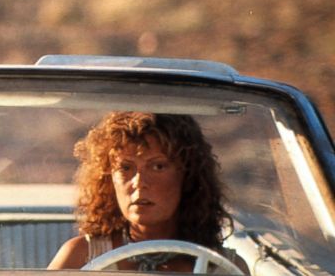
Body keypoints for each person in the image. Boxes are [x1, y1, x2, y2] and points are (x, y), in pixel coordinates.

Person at [47, 112, 248, 273]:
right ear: (108, 179)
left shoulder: (224, 267)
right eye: (125, 168)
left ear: (188, 177)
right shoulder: (80, 258)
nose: (139, 183)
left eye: (158, 166)